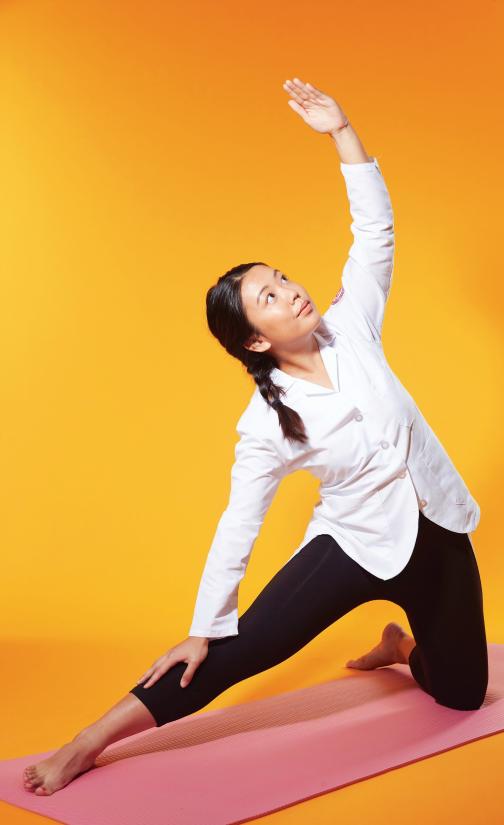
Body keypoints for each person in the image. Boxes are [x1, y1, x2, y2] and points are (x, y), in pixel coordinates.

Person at [23, 78, 488, 797]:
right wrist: (205, 623)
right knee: (241, 650)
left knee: (462, 694)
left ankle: (403, 647)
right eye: (268, 296)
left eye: (282, 278)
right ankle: (87, 740)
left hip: (439, 529)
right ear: (254, 338)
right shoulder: (265, 423)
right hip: (356, 543)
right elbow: (240, 520)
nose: (290, 290)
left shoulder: (352, 325)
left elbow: (375, 231)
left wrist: (343, 132)